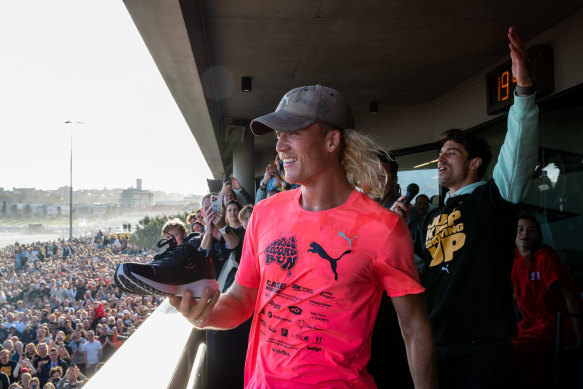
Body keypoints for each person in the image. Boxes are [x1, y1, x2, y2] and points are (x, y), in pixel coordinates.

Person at [171, 84, 436, 388]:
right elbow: (243, 299)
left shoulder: (383, 228)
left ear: (332, 140)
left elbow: (415, 328)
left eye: (292, 133)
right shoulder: (264, 213)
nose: (279, 146)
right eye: (278, 136)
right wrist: (203, 315)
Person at [393, 27, 539, 389]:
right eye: (439, 155)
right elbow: (417, 270)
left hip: (483, 350)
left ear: (475, 163)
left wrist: (522, 93)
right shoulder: (431, 216)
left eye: (451, 154)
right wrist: (394, 233)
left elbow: (518, 152)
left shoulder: (494, 197)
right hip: (434, 345)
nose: (440, 161)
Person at [512, 215, 583, 388]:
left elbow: (570, 297)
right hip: (530, 325)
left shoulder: (545, 258)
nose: (524, 234)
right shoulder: (513, 260)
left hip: (553, 326)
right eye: (520, 229)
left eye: (530, 230)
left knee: (508, 351)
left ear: (538, 235)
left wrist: (580, 338)